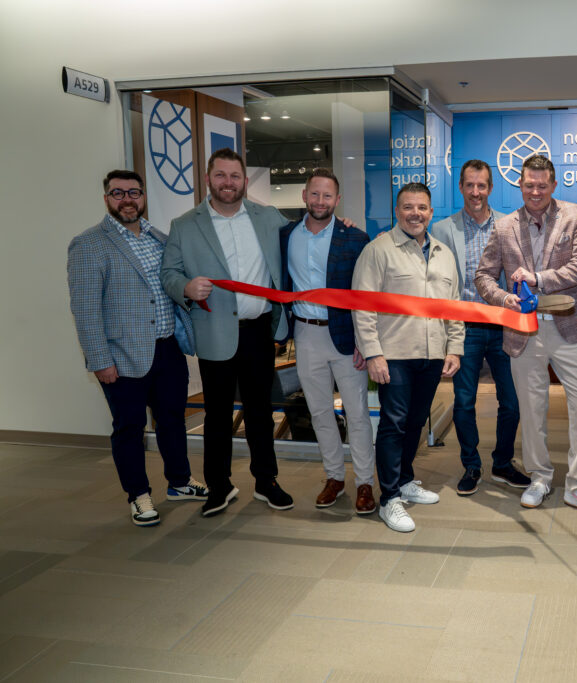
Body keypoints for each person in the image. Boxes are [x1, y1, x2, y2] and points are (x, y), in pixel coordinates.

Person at [68, 170, 208, 527]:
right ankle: (138, 495)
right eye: (118, 193)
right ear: (106, 199)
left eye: (134, 192)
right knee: (129, 427)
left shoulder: (159, 238)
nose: (127, 199)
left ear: (143, 197)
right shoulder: (89, 244)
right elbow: (85, 310)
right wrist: (100, 360)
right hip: (121, 357)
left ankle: (179, 481)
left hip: (167, 350)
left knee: (172, 420)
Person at [475, 155, 577, 520]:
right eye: (529, 185)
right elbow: (483, 276)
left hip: (571, 327)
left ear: (553, 185)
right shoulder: (504, 227)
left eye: (542, 185)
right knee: (531, 408)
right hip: (524, 331)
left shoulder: (574, 215)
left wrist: (538, 279)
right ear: (520, 185)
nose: (535, 192)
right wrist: (504, 298)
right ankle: (540, 478)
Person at [161, 148, 294, 517]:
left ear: (245, 181)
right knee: (217, 416)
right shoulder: (185, 225)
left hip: (259, 332)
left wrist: (338, 223)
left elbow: (302, 236)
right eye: (220, 175)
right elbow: (168, 273)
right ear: (208, 179)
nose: (228, 182)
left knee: (260, 412)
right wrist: (185, 287)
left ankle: (266, 482)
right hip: (215, 333)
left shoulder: (269, 217)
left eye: (235, 176)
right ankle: (219, 487)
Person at [352, 182, 464, 532]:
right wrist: (373, 353)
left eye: (422, 208)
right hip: (394, 356)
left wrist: (454, 347)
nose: (415, 213)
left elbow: (454, 305)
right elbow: (362, 306)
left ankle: (403, 480)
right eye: (408, 207)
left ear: (431, 212)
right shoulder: (378, 250)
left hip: (432, 354)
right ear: (397, 211)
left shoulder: (444, 253)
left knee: (416, 422)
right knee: (394, 423)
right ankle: (389, 499)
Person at [280, 168, 377, 514]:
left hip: (346, 337)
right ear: (304, 196)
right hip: (305, 335)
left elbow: (365, 294)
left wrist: (365, 342)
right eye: (315, 194)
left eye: (327, 195)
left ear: (337, 199)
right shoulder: (286, 235)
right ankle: (334, 477)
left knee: (357, 414)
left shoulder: (356, 238)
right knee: (320, 412)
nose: (320, 201)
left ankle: (365, 482)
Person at [433, 160, 530, 496]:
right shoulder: (442, 230)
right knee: (463, 402)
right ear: (461, 187)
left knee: (512, 402)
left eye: (482, 185)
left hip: (504, 326)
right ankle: (471, 465)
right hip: (464, 328)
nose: (476, 192)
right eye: (470, 185)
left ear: (490, 188)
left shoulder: (509, 225)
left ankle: (502, 463)